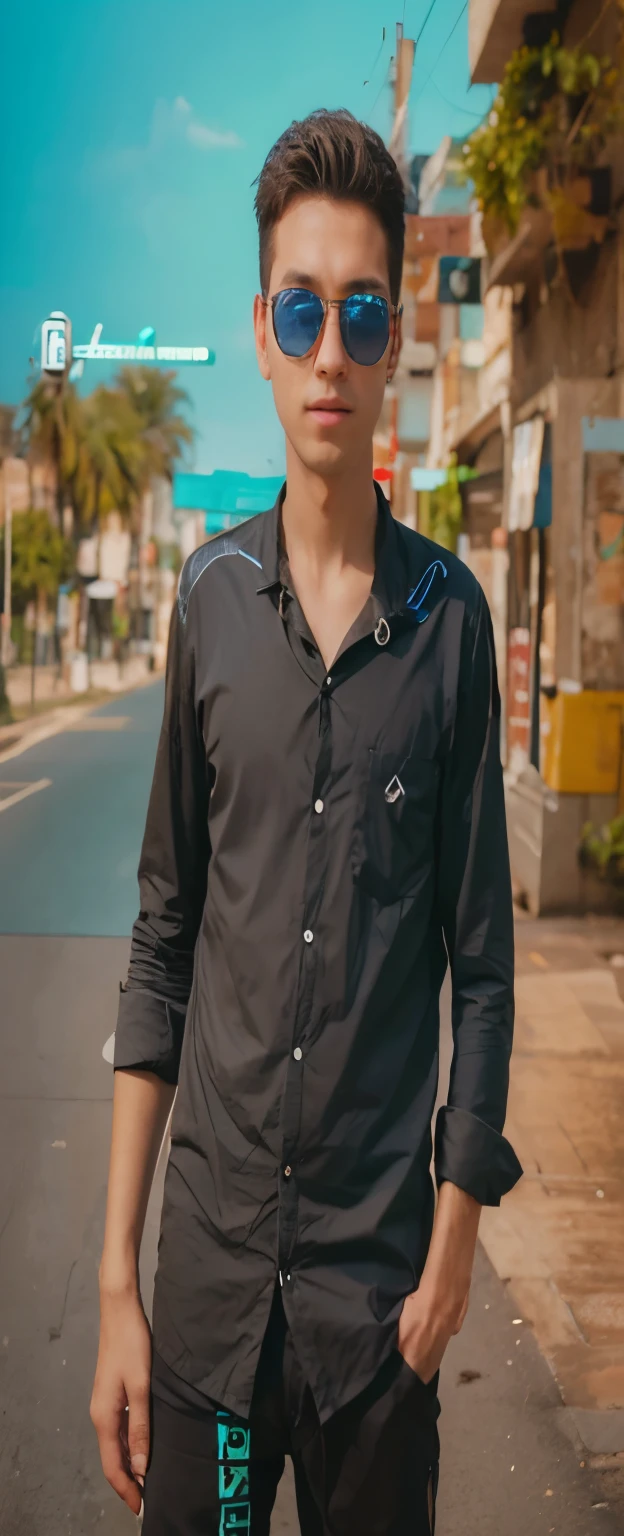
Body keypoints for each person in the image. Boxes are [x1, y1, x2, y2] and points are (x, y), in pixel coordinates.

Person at [91, 109, 521, 1535]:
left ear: (392, 331)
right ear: (262, 334)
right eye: (298, 308)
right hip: (209, 1314)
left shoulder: (452, 626)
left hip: (376, 1316)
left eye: (356, 310)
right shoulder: (208, 606)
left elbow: (482, 966)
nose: (327, 348)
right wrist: (114, 1289)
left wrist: (454, 1240)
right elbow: (163, 946)